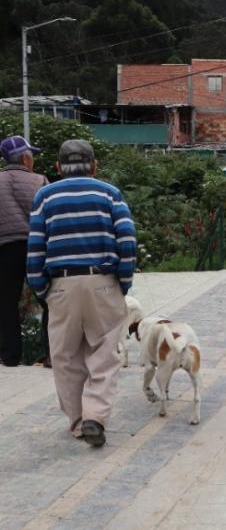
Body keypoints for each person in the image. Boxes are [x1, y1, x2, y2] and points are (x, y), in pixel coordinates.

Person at [27, 139, 136, 447]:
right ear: (94, 165)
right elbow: (126, 239)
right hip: (103, 282)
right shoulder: (109, 193)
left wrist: (41, 289)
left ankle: (77, 424)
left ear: (58, 167)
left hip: (61, 285)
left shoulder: (44, 197)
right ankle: (95, 417)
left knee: (65, 358)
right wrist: (122, 283)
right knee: (104, 355)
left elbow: (35, 248)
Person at [0, 136, 47, 367]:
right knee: (48, 298)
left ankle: (10, 356)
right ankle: (51, 353)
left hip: (5, 248)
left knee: (6, 302)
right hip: (36, 247)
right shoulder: (40, 181)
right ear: (26, 158)